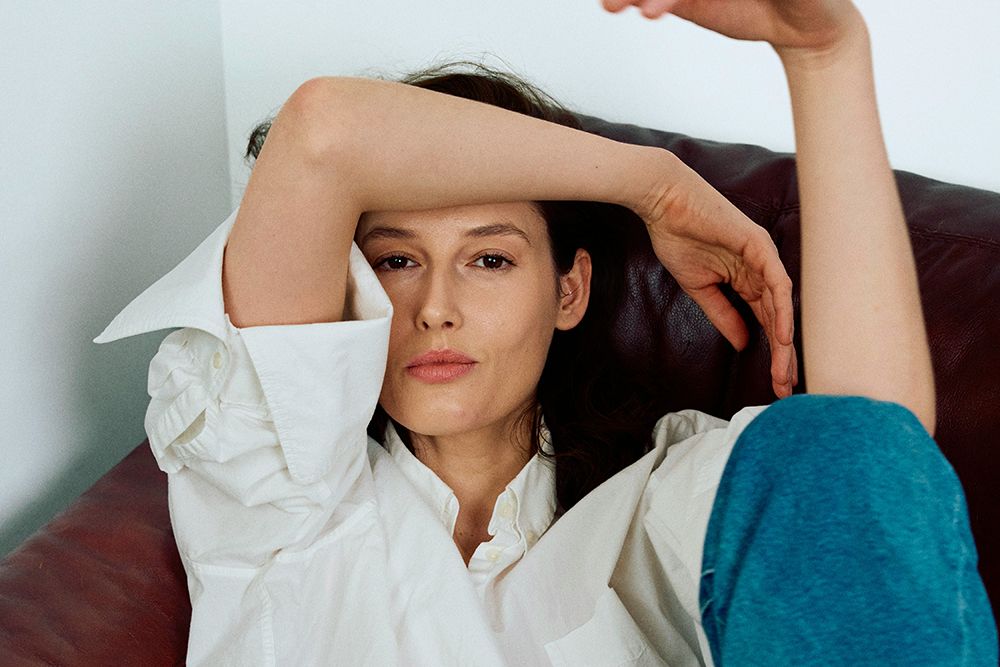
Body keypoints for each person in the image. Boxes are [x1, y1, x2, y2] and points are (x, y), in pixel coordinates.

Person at [94, 0, 997, 664]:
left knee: (848, 458)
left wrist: (826, 58)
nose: (435, 308)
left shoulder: (647, 508)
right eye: (396, 261)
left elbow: (871, 459)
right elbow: (321, 134)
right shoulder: (274, 486)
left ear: (569, 292)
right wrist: (653, 184)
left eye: (490, 260)